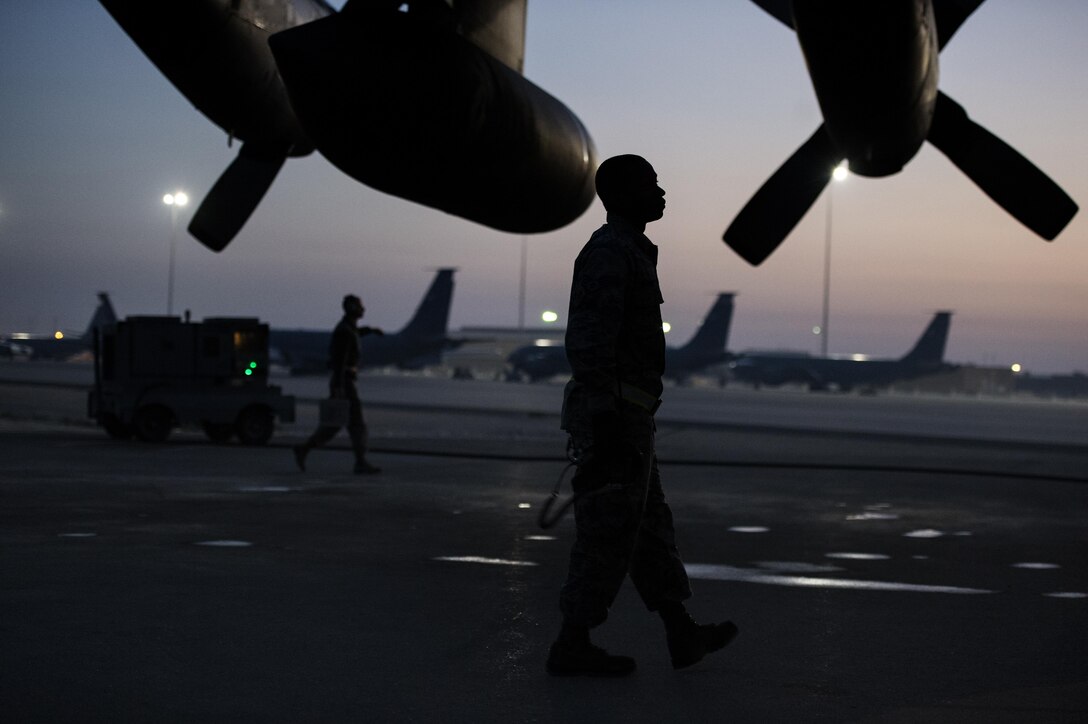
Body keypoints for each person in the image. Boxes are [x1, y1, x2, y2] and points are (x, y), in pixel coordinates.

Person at [547, 155, 738, 676]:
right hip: (612, 418)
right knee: (607, 532)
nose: (661, 192)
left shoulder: (630, 251)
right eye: (650, 184)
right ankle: (572, 642)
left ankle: (681, 632)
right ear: (620, 194)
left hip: (629, 417)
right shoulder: (610, 253)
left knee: (648, 528)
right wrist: (606, 422)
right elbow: (590, 341)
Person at [293, 294, 383, 474]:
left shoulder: (348, 329)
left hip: (344, 382)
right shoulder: (344, 331)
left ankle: (305, 449)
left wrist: (370, 330)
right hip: (345, 383)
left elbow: (355, 334)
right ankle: (360, 461)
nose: (363, 309)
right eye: (359, 306)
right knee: (356, 423)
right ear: (352, 308)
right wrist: (339, 387)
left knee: (334, 424)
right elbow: (339, 362)